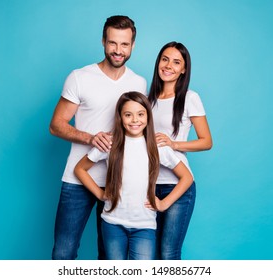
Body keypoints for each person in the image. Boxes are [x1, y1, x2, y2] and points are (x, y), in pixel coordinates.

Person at [49, 15, 147, 260]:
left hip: (119, 181)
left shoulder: (139, 83)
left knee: (110, 257)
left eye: (124, 45)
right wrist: (91, 138)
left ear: (133, 46)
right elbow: (56, 125)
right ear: (103, 41)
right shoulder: (80, 77)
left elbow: (139, 130)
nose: (118, 50)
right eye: (113, 43)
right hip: (78, 178)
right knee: (64, 252)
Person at [74, 92, 193, 260]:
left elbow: (187, 177)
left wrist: (164, 203)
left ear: (148, 116)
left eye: (140, 114)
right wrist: (100, 194)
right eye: (128, 115)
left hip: (144, 226)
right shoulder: (110, 143)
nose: (135, 120)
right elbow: (80, 169)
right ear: (120, 118)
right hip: (112, 222)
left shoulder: (158, 147)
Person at [148, 41, 213, 260]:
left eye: (177, 62)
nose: (169, 66)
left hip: (178, 187)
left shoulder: (190, 98)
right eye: (165, 59)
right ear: (158, 62)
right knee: (150, 255)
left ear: (184, 69)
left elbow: (206, 141)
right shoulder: (148, 99)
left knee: (168, 254)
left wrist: (174, 144)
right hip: (148, 185)